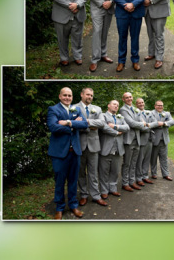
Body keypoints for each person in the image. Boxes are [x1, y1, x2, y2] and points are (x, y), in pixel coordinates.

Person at [47, 87, 88, 219]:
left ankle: (73, 206)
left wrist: (68, 122)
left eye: (69, 96)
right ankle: (59, 208)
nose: (67, 98)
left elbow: (85, 125)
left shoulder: (76, 109)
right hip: (59, 153)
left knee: (73, 180)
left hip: (75, 151)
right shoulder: (53, 109)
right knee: (59, 181)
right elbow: (53, 127)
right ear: (60, 96)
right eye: (64, 95)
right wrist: (73, 126)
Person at [110, 0, 148, 72]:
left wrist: (133, 4)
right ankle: (121, 61)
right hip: (122, 13)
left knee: (135, 37)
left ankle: (135, 60)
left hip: (136, 12)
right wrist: (125, 5)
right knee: (122, 38)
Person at [74, 87, 107, 207]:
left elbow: (102, 123)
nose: (90, 97)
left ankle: (96, 196)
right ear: (82, 94)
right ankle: (83, 195)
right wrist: (92, 126)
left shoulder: (97, 109)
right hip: (79, 145)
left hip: (94, 145)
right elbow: (73, 123)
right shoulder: (74, 107)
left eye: (91, 95)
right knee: (81, 172)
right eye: (88, 95)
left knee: (93, 172)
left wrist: (85, 122)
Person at [51, 0, 87, 67]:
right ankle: (64, 58)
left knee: (77, 38)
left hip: (78, 14)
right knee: (62, 39)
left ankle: (77, 57)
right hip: (62, 15)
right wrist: (71, 5)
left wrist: (78, 5)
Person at [85, 0, 116, 72]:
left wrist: (111, 2)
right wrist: (103, 2)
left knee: (105, 31)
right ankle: (94, 59)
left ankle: (103, 54)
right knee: (97, 31)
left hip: (110, 7)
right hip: (98, 7)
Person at [98, 99, 128, 199]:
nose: (116, 106)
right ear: (108, 106)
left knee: (115, 171)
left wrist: (115, 126)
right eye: (114, 104)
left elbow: (127, 128)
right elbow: (104, 127)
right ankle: (104, 190)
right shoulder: (103, 115)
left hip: (118, 149)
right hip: (105, 148)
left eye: (117, 105)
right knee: (104, 171)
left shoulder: (121, 117)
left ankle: (113, 189)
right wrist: (116, 132)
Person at [119, 92, 145, 192]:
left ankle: (132, 181)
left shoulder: (135, 109)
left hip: (137, 139)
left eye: (130, 97)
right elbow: (131, 123)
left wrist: (139, 123)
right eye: (127, 97)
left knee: (134, 163)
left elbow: (137, 121)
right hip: (128, 140)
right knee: (127, 163)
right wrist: (142, 124)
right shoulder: (122, 110)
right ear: (123, 99)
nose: (129, 99)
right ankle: (125, 183)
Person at [149, 100, 174, 181]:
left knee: (164, 158)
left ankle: (165, 174)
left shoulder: (167, 113)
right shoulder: (151, 113)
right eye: (158, 105)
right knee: (153, 158)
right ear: (155, 106)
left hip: (164, 140)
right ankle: (154, 173)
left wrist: (164, 124)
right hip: (155, 139)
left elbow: (172, 122)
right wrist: (159, 123)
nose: (160, 107)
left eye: (161, 105)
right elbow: (152, 123)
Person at [135, 98, 156, 186]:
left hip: (150, 139)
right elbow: (141, 128)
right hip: (141, 139)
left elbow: (155, 123)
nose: (141, 104)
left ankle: (145, 176)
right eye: (139, 103)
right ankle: (138, 178)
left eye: (142, 102)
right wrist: (150, 126)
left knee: (147, 159)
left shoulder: (149, 112)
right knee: (140, 160)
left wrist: (147, 125)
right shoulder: (135, 113)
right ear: (136, 104)